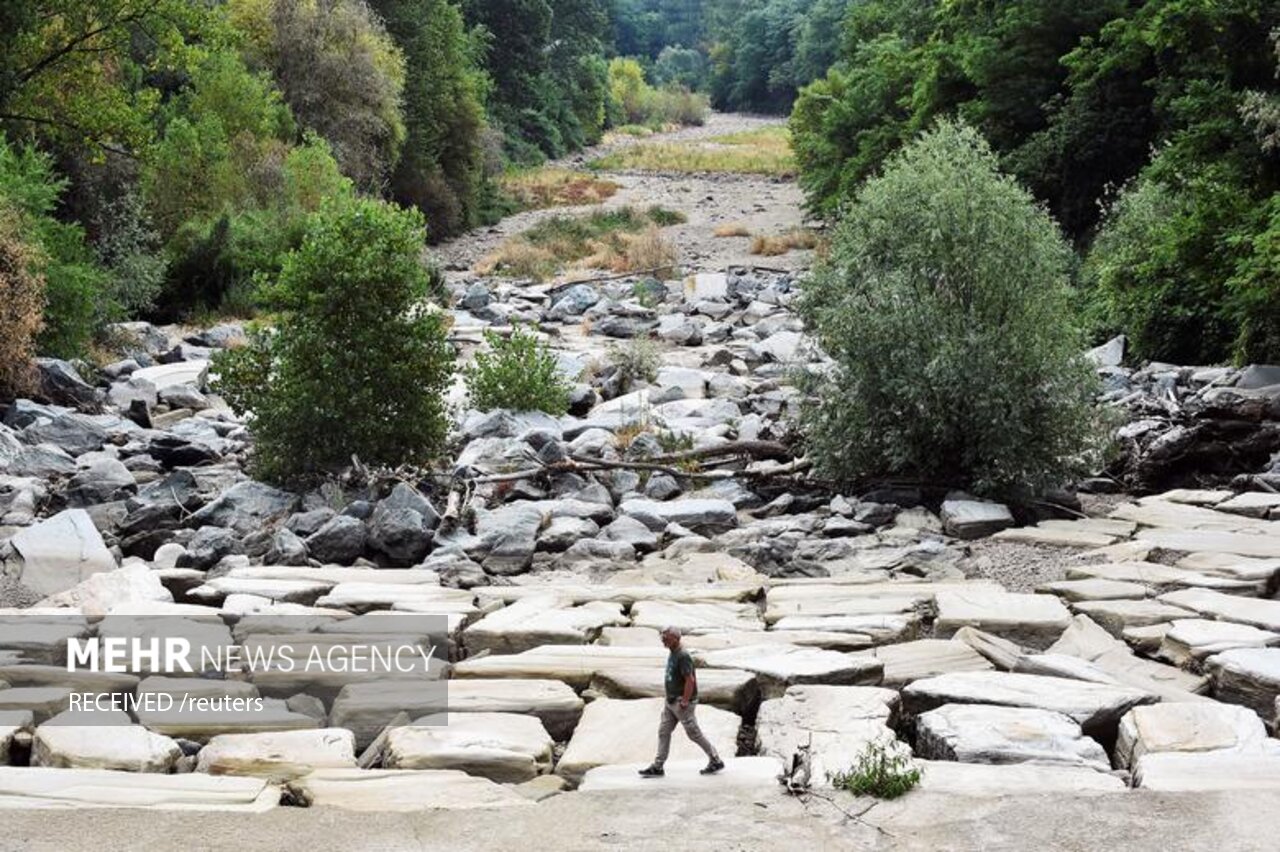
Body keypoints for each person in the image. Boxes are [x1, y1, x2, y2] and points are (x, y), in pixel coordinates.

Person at [638, 626, 724, 777]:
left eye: (666, 638)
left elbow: (690, 680)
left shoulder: (683, 655)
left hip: (681, 702)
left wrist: (685, 701)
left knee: (694, 734)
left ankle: (715, 759)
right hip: (671, 701)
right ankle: (658, 766)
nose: (663, 640)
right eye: (662, 638)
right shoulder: (673, 652)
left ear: (676, 639)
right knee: (664, 731)